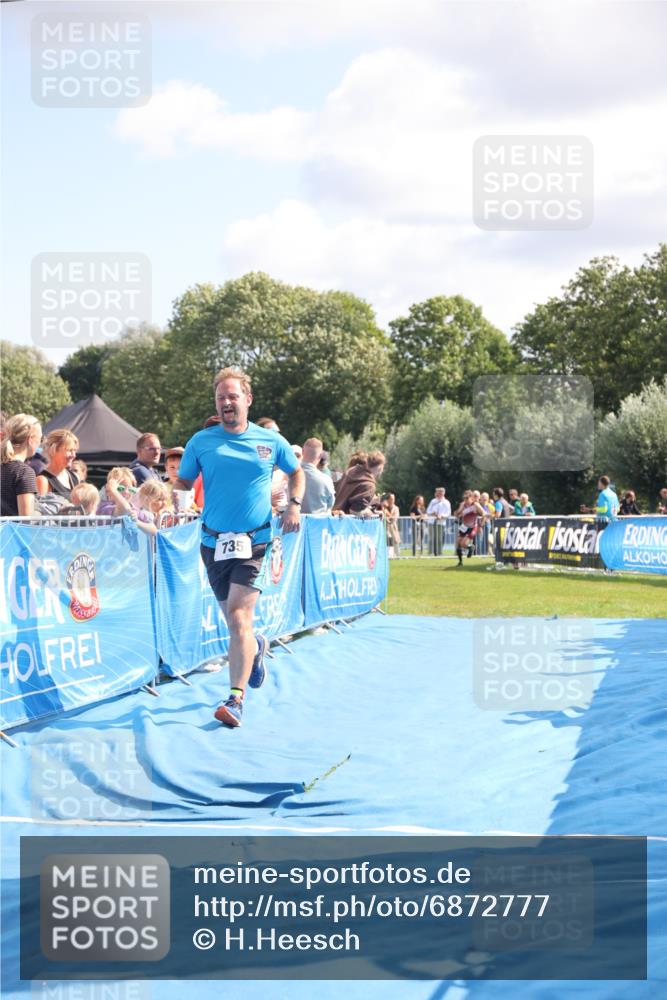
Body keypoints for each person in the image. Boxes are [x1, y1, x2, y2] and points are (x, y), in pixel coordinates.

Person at [174, 366, 304, 729]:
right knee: (236, 624)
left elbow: (297, 471)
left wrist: (294, 504)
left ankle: (235, 699)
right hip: (212, 542)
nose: (227, 403)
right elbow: (183, 480)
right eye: (221, 398)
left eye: (233, 396)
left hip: (256, 540)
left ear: (247, 399)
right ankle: (257, 647)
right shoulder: (202, 441)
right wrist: (179, 504)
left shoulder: (269, 441)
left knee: (237, 617)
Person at [0, 413, 42, 516]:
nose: (40, 443)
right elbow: (26, 521)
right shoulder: (24, 472)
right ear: (31, 439)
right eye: (41, 438)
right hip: (11, 532)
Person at [333, 451, 385, 516]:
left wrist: (372, 511)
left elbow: (349, 500)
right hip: (347, 522)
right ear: (380, 467)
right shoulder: (369, 485)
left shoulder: (350, 471)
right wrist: (370, 514)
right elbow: (354, 511)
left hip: (334, 517)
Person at [36, 429, 79, 501]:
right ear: (53, 450)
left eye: (74, 451)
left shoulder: (75, 477)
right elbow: (42, 510)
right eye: (69, 450)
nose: (73, 455)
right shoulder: (43, 480)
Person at [301, 438, 335, 515]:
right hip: (319, 524)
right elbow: (330, 504)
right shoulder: (326, 479)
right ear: (320, 456)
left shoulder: (289, 476)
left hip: (294, 524)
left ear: (302, 451)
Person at [454, 490, 485, 565]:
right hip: (464, 526)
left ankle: (471, 547)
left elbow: (483, 513)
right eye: (464, 498)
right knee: (458, 543)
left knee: (464, 544)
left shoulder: (475, 505)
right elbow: (457, 514)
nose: (465, 500)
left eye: (467, 498)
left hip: (472, 527)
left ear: (471, 498)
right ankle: (460, 562)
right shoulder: (463, 504)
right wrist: (458, 512)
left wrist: (481, 524)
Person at [383, 492, 401, 558]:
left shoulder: (396, 508)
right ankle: (388, 555)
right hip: (385, 527)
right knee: (387, 540)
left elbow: (394, 518)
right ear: (388, 499)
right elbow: (383, 516)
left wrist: (387, 515)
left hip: (393, 527)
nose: (393, 500)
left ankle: (397, 555)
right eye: (391, 499)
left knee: (396, 541)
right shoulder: (383, 507)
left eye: (394, 499)